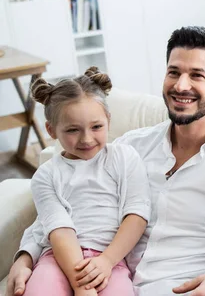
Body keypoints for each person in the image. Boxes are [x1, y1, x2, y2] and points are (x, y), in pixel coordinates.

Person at [7, 26, 205, 296]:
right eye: (174, 72)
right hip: (105, 282)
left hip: (176, 287)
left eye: (197, 75)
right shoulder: (129, 146)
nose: (181, 85)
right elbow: (65, 202)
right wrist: (26, 255)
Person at [23, 67, 151, 296]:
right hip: (58, 259)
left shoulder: (124, 157)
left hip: (111, 262)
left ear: (108, 121)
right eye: (73, 130)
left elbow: (137, 214)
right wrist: (83, 287)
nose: (86, 138)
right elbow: (58, 229)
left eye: (97, 127)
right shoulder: (46, 175)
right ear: (51, 130)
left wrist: (107, 261)